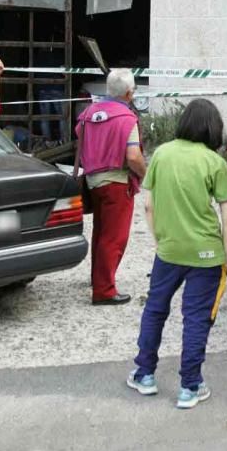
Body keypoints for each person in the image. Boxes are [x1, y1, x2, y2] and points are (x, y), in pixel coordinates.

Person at [127, 99, 227, 410]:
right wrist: (226, 256)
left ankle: (144, 374)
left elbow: (148, 205)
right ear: (214, 128)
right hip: (207, 254)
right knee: (197, 318)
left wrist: (159, 240)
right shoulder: (214, 162)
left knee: (155, 310)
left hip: (169, 250)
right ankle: (190, 386)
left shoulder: (161, 154)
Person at [75, 69, 146, 306]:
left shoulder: (87, 113)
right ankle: (104, 290)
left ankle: (98, 278)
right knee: (114, 237)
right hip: (117, 181)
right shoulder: (127, 119)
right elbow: (134, 157)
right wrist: (146, 175)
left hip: (93, 181)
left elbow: (79, 138)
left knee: (100, 232)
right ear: (128, 93)